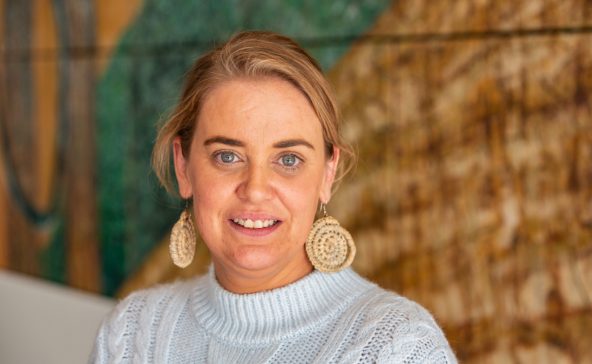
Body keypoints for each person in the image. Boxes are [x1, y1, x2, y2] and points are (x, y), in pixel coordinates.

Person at [91, 31, 457, 363]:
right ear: (184, 167)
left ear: (327, 174)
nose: (255, 189)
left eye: (288, 159)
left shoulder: (398, 347)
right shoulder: (132, 333)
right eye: (227, 156)